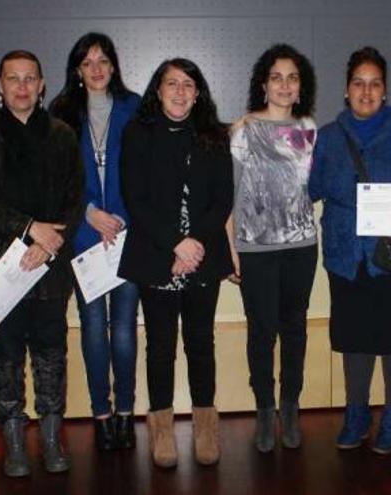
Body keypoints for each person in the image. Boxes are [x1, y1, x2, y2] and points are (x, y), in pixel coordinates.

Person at [308, 46, 391, 454]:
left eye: (375, 84)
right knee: (355, 339)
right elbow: (311, 188)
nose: (366, 92)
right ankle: (356, 413)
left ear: (384, 90)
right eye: (358, 84)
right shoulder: (329, 138)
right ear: (346, 89)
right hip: (346, 254)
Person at [0, 50, 83, 477]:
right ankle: (13, 443)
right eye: (14, 78)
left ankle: (50, 440)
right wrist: (30, 229)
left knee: (51, 352)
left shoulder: (63, 135)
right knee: (6, 355)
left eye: (31, 78)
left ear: (43, 84)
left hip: (50, 264)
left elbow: (75, 196)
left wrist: (49, 243)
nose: (23, 86)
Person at [120, 58, 232, 468]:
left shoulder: (214, 135)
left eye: (188, 84)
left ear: (198, 92)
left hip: (203, 255)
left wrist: (195, 243)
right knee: (161, 347)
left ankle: (205, 426)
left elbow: (223, 197)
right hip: (156, 255)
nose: (180, 91)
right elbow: (135, 198)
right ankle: (162, 429)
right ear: (158, 90)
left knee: (201, 344)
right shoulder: (138, 133)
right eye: (172, 84)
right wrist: (175, 245)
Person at [49, 32, 140, 452]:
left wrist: (120, 216)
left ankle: (125, 412)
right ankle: (101, 415)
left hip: (127, 232)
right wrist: (89, 212)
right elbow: (56, 181)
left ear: (114, 65)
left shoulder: (136, 108)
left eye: (103, 60)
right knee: (92, 326)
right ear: (77, 70)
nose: (97, 69)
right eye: (88, 62)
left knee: (124, 326)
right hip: (85, 234)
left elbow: (148, 171)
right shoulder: (61, 113)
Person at [227, 44, 318, 453]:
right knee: (261, 332)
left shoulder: (310, 131)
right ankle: (264, 409)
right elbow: (231, 195)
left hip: (301, 245)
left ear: (301, 89)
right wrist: (230, 249)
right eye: (277, 77)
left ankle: (290, 405)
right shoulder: (243, 130)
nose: (284, 85)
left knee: (294, 330)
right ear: (264, 84)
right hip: (255, 248)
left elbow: (313, 191)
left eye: (292, 78)